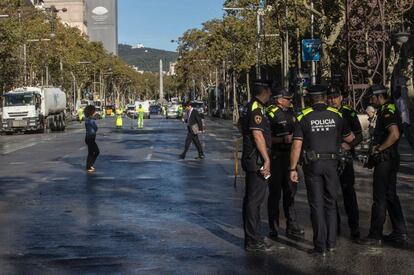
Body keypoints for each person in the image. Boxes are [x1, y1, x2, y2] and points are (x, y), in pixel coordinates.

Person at [290, 85, 354, 256]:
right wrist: (338, 145)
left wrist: (292, 168)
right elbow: (351, 138)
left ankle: (320, 246)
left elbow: (296, 145)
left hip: (313, 165)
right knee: (331, 204)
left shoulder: (303, 116)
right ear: (325, 97)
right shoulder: (337, 115)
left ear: (310, 98)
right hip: (332, 164)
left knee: (316, 205)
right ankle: (331, 244)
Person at [360, 84, 408, 246]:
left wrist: (379, 148)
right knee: (390, 196)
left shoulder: (387, 111)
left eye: (372, 98)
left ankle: (375, 235)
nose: (371, 101)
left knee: (379, 198)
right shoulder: (389, 109)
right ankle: (400, 232)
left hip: (386, 160)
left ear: (379, 96)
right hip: (390, 158)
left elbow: (394, 134)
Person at [266, 87, 304, 239]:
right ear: (279, 100)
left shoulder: (291, 113)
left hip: (289, 157)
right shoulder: (269, 114)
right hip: (275, 157)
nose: (290, 101)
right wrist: (282, 139)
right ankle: (273, 227)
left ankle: (292, 226)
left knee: (290, 193)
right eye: (287, 99)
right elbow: (265, 138)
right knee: (274, 194)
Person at [240, 80, 273, 252]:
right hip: (256, 160)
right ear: (265, 92)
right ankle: (252, 240)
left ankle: (253, 236)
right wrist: (266, 159)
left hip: (251, 157)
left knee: (252, 200)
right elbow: (258, 135)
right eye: (270, 91)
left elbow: (241, 127)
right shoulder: (256, 109)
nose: (271, 95)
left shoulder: (249, 106)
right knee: (255, 200)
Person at [327, 86, 363, 240]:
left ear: (341, 97)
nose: (332, 100)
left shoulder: (349, 112)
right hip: (330, 158)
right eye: (330, 97)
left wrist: (350, 145)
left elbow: (359, 135)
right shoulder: (325, 113)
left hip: (346, 157)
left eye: (335, 96)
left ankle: (354, 226)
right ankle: (335, 226)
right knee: (331, 193)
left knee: (348, 193)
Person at [84, 105, 100, 173]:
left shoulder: (87, 119)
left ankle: (90, 165)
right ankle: (89, 166)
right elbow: (96, 128)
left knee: (91, 152)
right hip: (90, 138)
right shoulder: (91, 120)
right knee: (95, 151)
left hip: (89, 138)